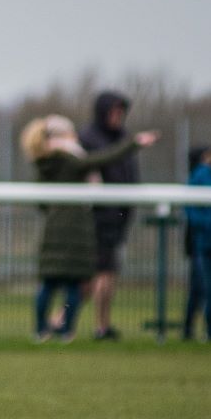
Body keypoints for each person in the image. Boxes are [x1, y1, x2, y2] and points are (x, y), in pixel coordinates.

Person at [20, 115, 157, 342]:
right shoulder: (70, 159)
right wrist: (133, 144)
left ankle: (40, 329)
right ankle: (66, 331)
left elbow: (41, 202)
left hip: (52, 228)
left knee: (48, 282)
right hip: (77, 229)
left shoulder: (42, 162)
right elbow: (103, 159)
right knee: (74, 283)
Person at [79, 91, 138, 340]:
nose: (117, 116)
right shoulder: (89, 137)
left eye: (120, 112)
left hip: (118, 216)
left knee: (107, 273)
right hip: (97, 216)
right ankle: (63, 319)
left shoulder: (123, 137)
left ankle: (102, 325)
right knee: (97, 273)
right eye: (113, 111)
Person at [185, 147, 211, 341]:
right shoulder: (201, 174)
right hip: (206, 243)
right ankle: (208, 332)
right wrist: (206, 223)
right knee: (206, 290)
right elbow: (190, 206)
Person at [182, 146, 209, 340]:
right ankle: (189, 329)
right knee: (200, 288)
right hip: (202, 242)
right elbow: (191, 210)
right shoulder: (200, 176)